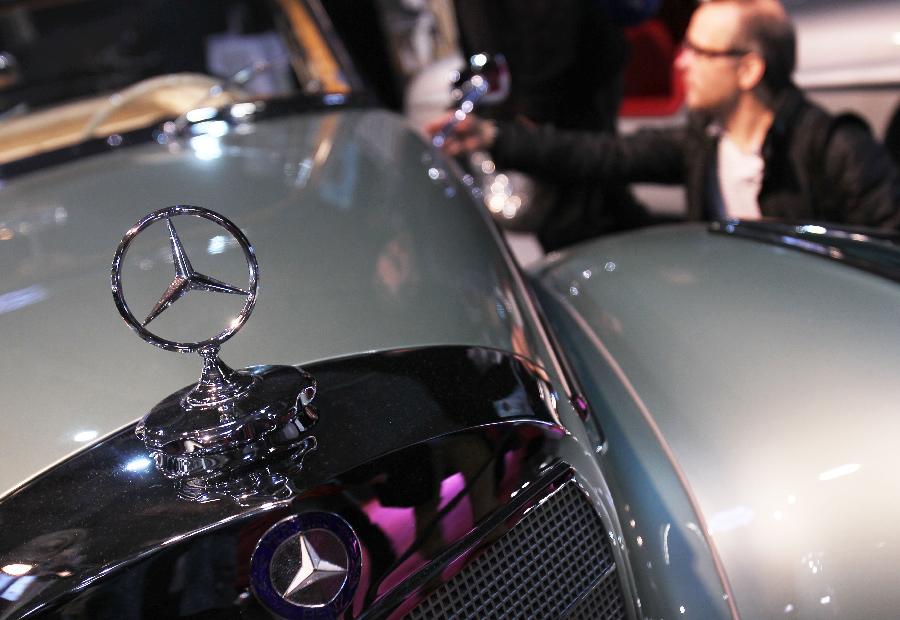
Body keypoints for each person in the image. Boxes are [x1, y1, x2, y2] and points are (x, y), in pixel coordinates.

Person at [430, 0, 900, 230]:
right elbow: (603, 155)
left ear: (749, 70)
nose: (681, 62)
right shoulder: (704, 142)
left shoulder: (837, 149)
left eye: (701, 51)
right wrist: (494, 135)